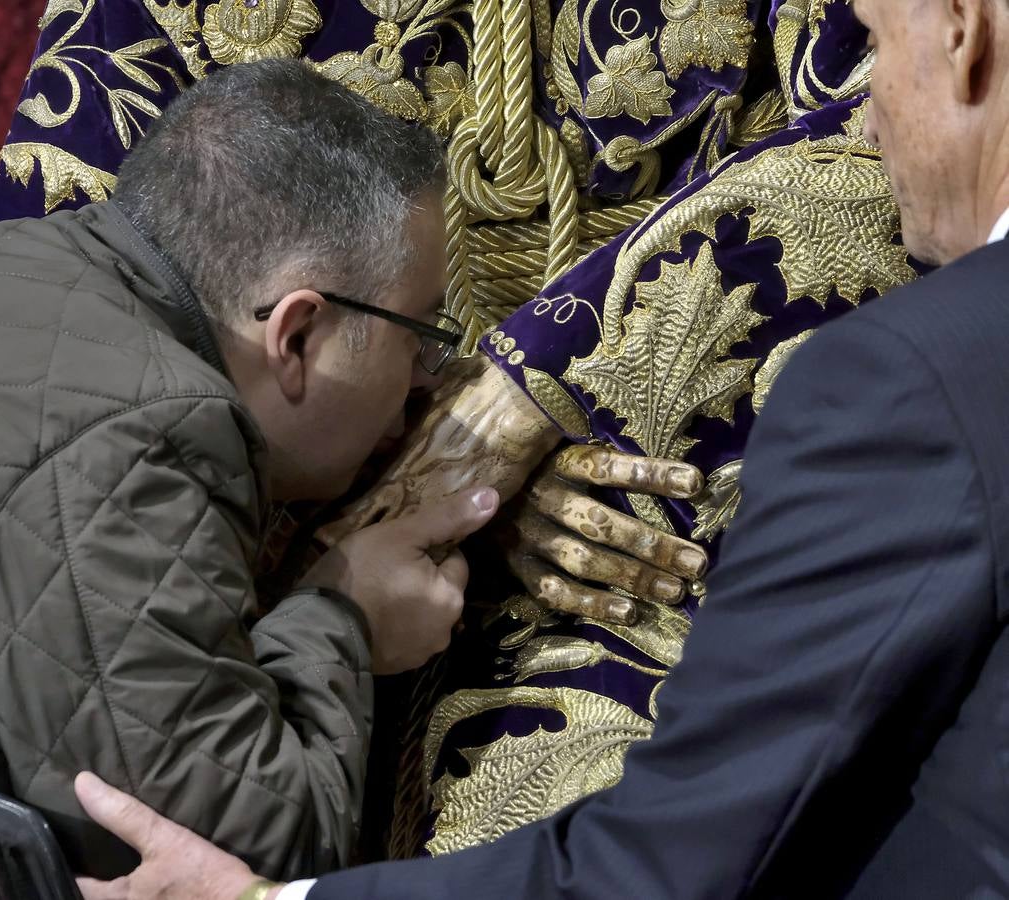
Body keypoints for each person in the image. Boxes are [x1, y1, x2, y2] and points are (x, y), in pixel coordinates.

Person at [0, 59, 704, 899]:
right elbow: (206, 853)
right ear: (297, 331)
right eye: (423, 336)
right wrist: (342, 618)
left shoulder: (6, 279)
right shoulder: (135, 417)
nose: (427, 385)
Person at [67, 0, 1009, 895]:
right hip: (272, 502)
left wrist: (542, 397)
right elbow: (88, 268)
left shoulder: (894, 385)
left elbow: (896, 103)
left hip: (664, 518)